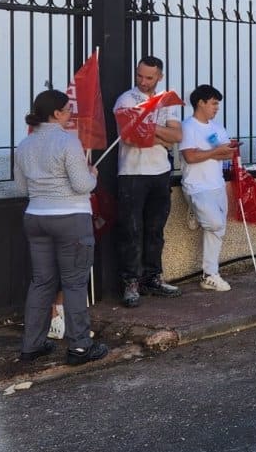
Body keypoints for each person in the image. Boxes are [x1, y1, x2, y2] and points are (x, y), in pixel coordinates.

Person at [13, 89, 108, 366]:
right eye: (67, 109)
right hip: (70, 218)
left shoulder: (25, 144)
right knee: (75, 283)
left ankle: (32, 345)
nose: (70, 114)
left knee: (41, 281)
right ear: (56, 114)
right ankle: (80, 346)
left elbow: (21, 187)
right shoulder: (68, 142)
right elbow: (82, 185)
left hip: (35, 217)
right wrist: (93, 175)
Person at [115, 56, 183, 308]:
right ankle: (130, 282)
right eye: (139, 76)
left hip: (160, 172)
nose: (143, 81)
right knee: (131, 230)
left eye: (149, 77)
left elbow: (176, 135)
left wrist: (149, 129)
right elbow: (131, 138)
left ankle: (152, 278)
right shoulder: (126, 100)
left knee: (155, 229)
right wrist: (160, 135)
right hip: (132, 172)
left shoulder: (166, 101)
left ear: (160, 77)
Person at [179, 85, 238, 293]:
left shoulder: (217, 128)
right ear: (201, 103)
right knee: (214, 223)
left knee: (218, 228)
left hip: (217, 184)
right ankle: (194, 209)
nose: (216, 107)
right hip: (196, 186)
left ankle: (210, 274)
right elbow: (190, 156)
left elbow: (228, 154)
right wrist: (215, 151)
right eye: (213, 103)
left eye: (217, 104)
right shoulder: (187, 127)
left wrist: (216, 152)